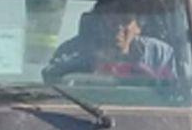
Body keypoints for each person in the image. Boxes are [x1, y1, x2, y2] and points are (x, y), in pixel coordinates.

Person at [43, 8, 177, 82]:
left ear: (138, 28)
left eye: (126, 20)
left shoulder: (160, 53)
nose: (118, 26)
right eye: (111, 18)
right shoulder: (72, 50)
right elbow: (49, 78)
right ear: (99, 22)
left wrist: (147, 76)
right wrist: (86, 64)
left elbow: (176, 94)